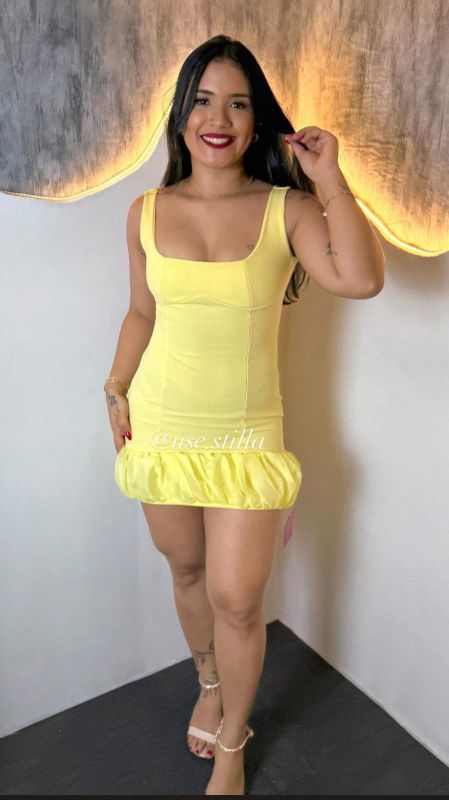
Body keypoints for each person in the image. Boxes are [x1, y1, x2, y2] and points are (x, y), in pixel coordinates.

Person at [105, 34, 385, 796]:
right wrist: (115, 385)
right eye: (202, 101)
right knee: (186, 569)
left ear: (258, 119)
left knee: (236, 597)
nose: (218, 118)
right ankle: (209, 683)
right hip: (161, 426)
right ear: (180, 115)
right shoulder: (145, 211)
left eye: (237, 103)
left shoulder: (286, 209)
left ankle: (233, 740)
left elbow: (359, 279)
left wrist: (328, 180)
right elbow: (141, 312)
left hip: (245, 435)